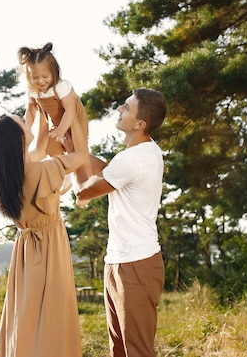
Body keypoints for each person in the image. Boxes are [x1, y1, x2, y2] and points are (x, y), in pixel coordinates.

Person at [0, 110, 88, 357]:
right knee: (53, 314)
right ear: (18, 138)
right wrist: (72, 122)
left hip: (26, 249)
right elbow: (81, 156)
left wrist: (39, 111)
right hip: (50, 245)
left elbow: (38, 146)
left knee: (26, 312)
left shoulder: (8, 177)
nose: (25, 121)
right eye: (22, 122)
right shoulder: (44, 170)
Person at [76, 88, 167, 357]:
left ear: (140, 124)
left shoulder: (133, 159)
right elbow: (107, 171)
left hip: (135, 265)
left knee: (136, 351)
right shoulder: (143, 153)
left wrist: (69, 162)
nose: (119, 110)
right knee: (119, 350)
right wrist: (75, 151)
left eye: (127, 107)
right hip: (119, 262)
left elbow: (83, 192)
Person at [18, 42, 97, 200]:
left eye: (45, 76)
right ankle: (64, 172)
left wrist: (62, 129)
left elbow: (70, 110)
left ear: (54, 73)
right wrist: (26, 127)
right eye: (35, 78)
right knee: (52, 148)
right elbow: (32, 110)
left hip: (74, 122)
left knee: (77, 150)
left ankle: (85, 185)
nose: (40, 81)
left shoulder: (62, 86)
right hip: (56, 124)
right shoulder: (34, 91)